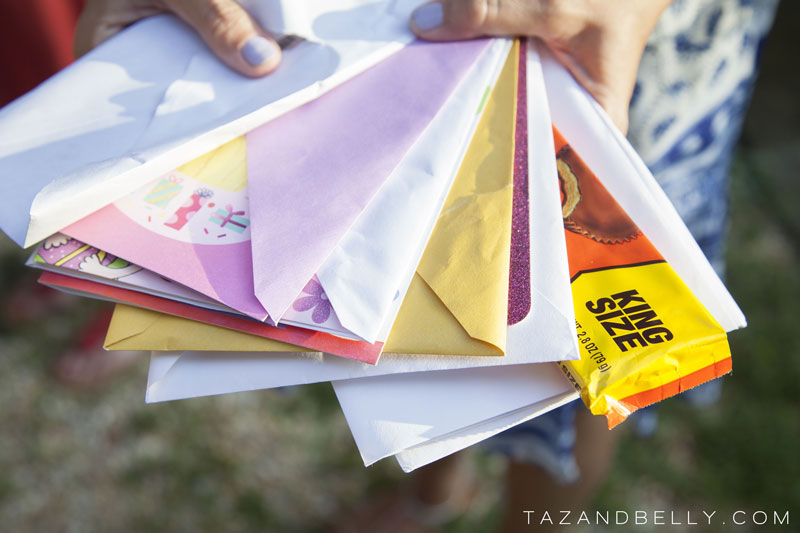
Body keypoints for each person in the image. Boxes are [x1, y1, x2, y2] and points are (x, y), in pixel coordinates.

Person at [74, 0, 779, 530]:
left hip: (621, 36)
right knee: (423, 290)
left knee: (574, 350)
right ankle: (434, 491)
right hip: (385, 25)